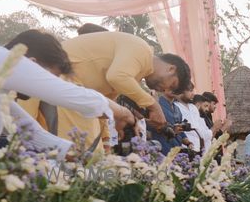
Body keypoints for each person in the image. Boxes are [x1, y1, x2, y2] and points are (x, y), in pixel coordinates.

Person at [0, 40, 114, 155]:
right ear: (32, 64)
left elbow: (29, 131)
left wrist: (79, 155)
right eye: (48, 77)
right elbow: (65, 94)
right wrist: (121, 112)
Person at [61, 31, 190, 134]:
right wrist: (153, 105)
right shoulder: (141, 49)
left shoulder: (134, 75)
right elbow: (117, 77)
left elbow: (103, 104)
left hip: (70, 95)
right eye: (171, 85)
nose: (165, 90)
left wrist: (107, 135)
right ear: (171, 69)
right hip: (60, 79)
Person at [174, 83, 208, 154]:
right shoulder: (175, 106)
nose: (193, 94)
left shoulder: (193, 107)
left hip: (198, 148)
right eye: (190, 91)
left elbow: (199, 127)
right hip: (184, 148)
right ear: (182, 91)